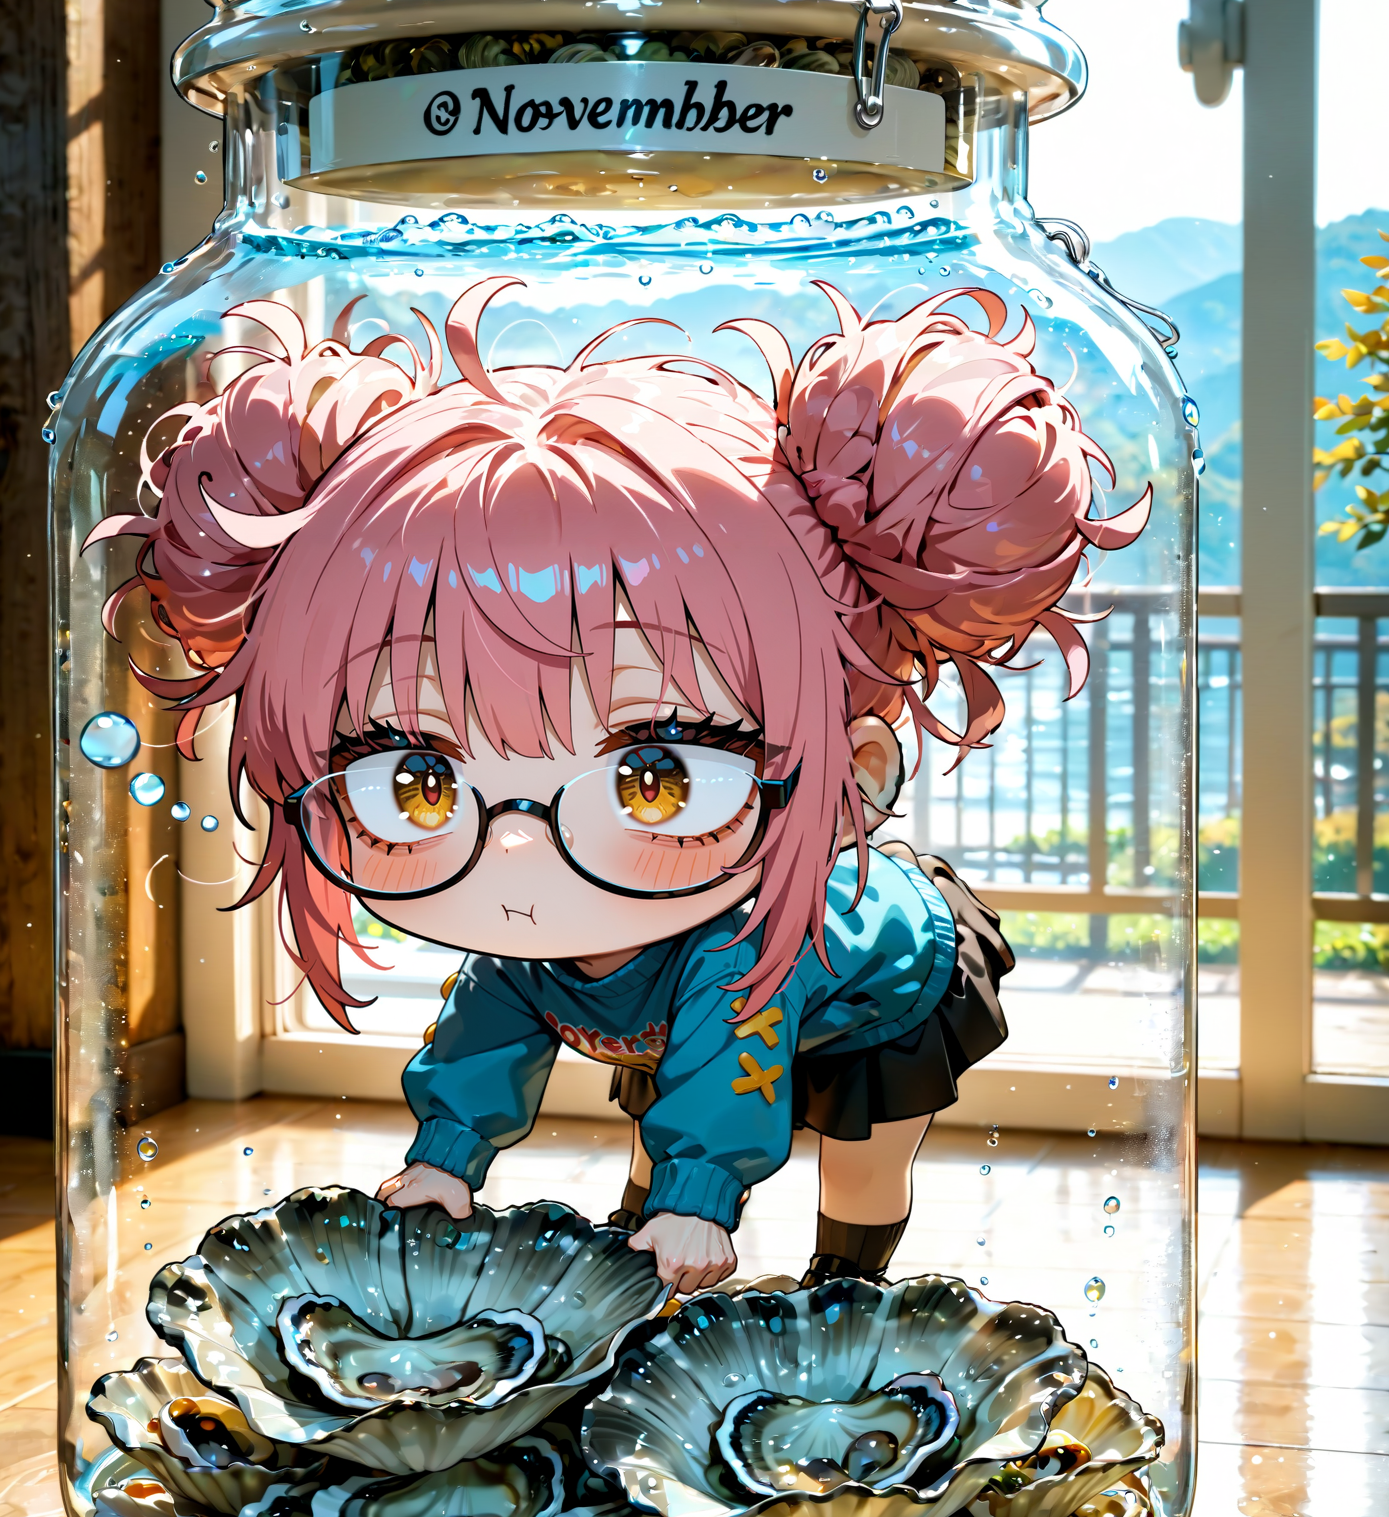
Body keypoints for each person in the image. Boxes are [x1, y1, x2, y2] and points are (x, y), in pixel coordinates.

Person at [90, 275, 1147, 1297]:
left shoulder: (740, 945)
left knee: (856, 1164)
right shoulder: (534, 926)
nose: (516, 849)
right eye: (418, 780)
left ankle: (848, 1293)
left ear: (852, 781)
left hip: (881, 991)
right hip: (672, 990)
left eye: (655, 776)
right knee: (656, 1122)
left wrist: (702, 1201)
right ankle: (636, 1257)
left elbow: (728, 1063)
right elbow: (482, 1036)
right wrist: (445, 1160)